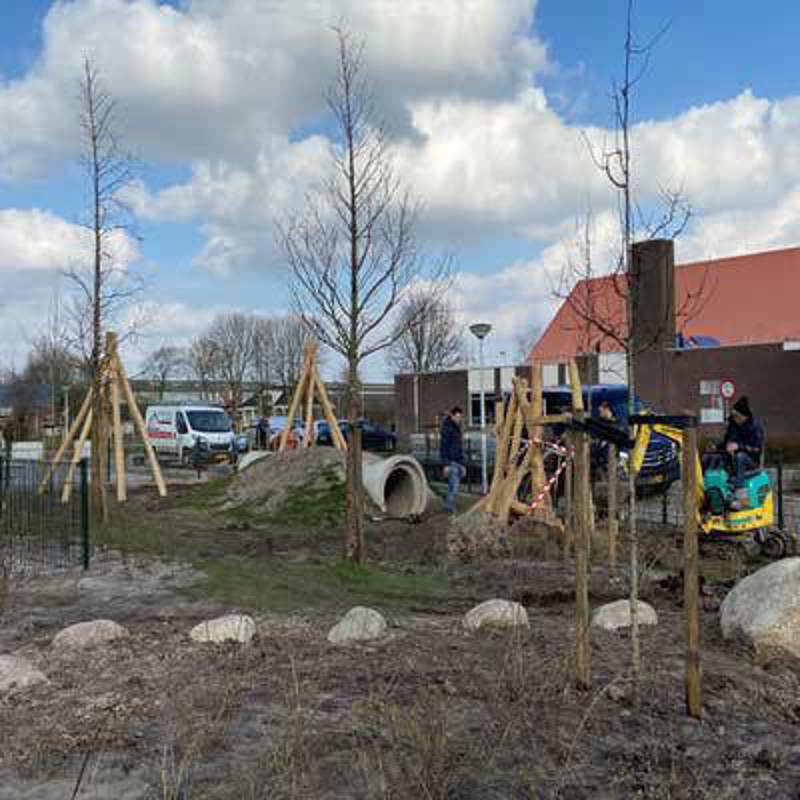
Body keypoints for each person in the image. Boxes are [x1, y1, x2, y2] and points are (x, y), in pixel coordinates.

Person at [722, 396, 764, 488]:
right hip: (733, 459)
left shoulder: (754, 427)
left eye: (737, 416)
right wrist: (718, 447)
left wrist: (739, 446)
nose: (735, 419)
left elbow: (757, 449)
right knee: (711, 457)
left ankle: (739, 486)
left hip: (751, 461)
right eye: (734, 417)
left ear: (744, 416)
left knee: (740, 457)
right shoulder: (733, 425)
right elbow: (726, 441)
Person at [440, 406, 465, 514]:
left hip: (458, 461)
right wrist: (446, 464)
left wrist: (462, 462)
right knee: (453, 487)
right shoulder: (447, 429)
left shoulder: (456, 428)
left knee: (454, 486)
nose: (459, 419)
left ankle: (448, 506)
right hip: (451, 462)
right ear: (453, 416)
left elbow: (459, 447)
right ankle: (449, 509)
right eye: (458, 417)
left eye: (460, 417)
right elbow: (443, 447)